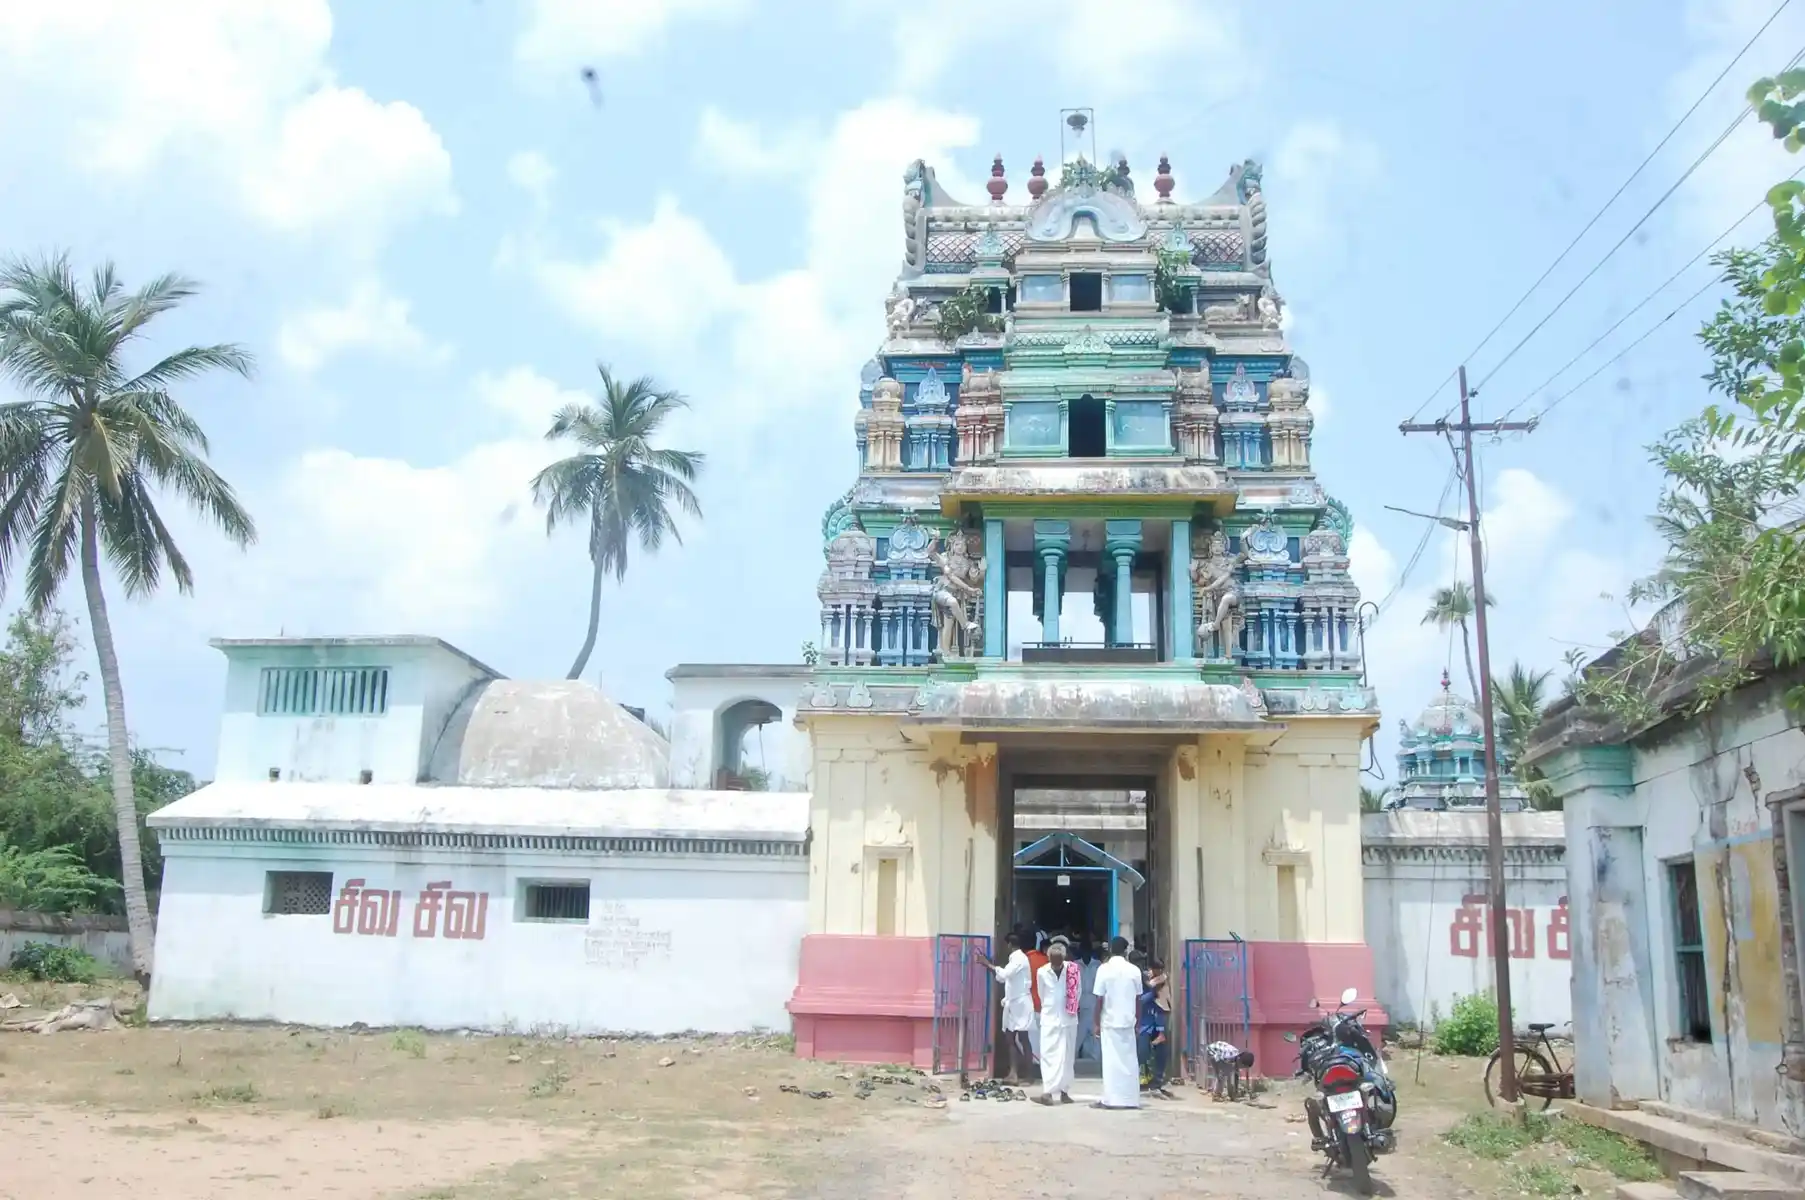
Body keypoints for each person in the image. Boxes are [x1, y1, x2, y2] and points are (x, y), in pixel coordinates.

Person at [1091, 936, 1142, 1109]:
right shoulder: (1134, 970)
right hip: (1128, 1021)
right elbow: (1138, 999)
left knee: (1111, 1062)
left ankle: (1111, 1099)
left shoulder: (1103, 969)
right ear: (1126, 950)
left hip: (1110, 1021)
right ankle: (1130, 1099)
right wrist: (1138, 1022)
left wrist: (1096, 1022)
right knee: (1129, 1061)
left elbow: (1099, 999)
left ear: (1110, 950)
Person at [981, 932, 1034, 1082]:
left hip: (1020, 1004)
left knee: (1020, 1039)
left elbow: (1004, 974)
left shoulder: (1019, 958)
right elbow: (1002, 978)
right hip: (1014, 1003)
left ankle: (1020, 1074)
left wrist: (988, 964)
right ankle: (1016, 1072)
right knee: (1014, 1038)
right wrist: (991, 967)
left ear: (1009, 945)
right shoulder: (1017, 959)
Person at [1035, 937, 1080, 1105]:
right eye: (1053, 961)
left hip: (1068, 1019)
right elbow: (1041, 993)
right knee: (1048, 1055)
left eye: (1059, 960)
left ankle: (1064, 1091)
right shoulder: (1042, 972)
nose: (1056, 964)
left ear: (1064, 958)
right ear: (1049, 959)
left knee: (1067, 1056)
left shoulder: (1073, 970)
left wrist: (1069, 1007)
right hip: (1050, 1018)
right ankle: (1048, 1091)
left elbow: (1078, 992)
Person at [1139, 958, 1174, 1099]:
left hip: (1159, 1019)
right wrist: (1151, 992)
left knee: (1162, 1052)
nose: (1158, 972)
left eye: (1160, 970)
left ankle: (1157, 1083)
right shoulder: (1144, 980)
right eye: (1156, 969)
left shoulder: (1161, 979)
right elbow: (1141, 1000)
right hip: (1146, 1022)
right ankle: (1145, 1081)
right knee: (1143, 1053)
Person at [1025, 936, 1050, 1067]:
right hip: (1046, 1007)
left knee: (1030, 1038)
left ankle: (1036, 1063)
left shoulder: (1025, 960)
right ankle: (1043, 1064)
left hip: (1030, 1006)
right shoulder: (1048, 963)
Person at [1075, 940, 1101, 1062]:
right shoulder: (1075, 965)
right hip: (1079, 1001)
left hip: (1093, 1001)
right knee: (1078, 1033)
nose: (1085, 953)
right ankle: (1073, 1057)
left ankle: (1097, 1058)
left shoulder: (1097, 965)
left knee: (1094, 1032)